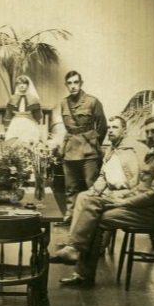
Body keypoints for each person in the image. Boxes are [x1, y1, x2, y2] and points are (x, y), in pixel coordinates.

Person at [52, 116, 154, 286]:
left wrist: (124, 202)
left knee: (97, 218)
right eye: (148, 131)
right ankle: (75, 250)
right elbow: (143, 187)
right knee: (92, 201)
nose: (150, 135)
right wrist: (124, 196)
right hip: (143, 206)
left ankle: (82, 270)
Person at [52, 70, 107, 225]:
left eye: (76, 82)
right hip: (69, 150)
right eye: (70, 83)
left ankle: (92, 218)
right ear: (66, 85)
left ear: (81, 83)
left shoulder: (92, 102)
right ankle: (70, 216)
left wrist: (95, 144)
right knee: (70, 187)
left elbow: (102, 126)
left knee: (92, 186)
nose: (73, 86)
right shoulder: (63, 103)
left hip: (88, 151)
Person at [3, 74, 44, 144]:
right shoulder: (12, 98)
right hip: (15, 124)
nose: (22, 85)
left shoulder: (33, 99)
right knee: (13, 143)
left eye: (24, 84)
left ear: (28, 85)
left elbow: (38, 115)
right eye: (19, 84)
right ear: (17, 86)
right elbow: (8, 115)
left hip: (29, 123)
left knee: (29, 142)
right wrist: (7, 127)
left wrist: (33, 121)